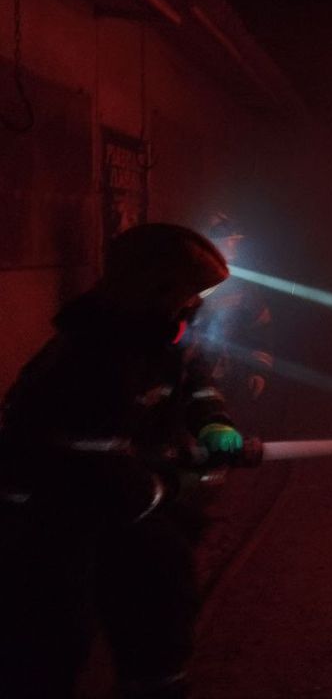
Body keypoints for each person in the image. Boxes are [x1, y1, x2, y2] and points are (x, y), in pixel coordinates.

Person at [0, 223, 245, 699]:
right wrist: (178, 483)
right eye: (186, 296)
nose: (193, 307)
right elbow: (101, 478)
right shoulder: (89, 361)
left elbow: (194, 382)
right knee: (50, 640)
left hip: (117, 510)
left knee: (161, 599)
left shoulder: (155, 341)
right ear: (153, 292)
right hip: (45, 522)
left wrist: (213, 421)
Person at [193, 212, 274, 415]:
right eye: (227, 242)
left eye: (235, 241)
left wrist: (258, 371)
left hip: (231, 380)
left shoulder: (242, 287)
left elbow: (261, 330)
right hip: (192, 379)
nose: (233, 248)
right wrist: (207, 310)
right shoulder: (189, 282)